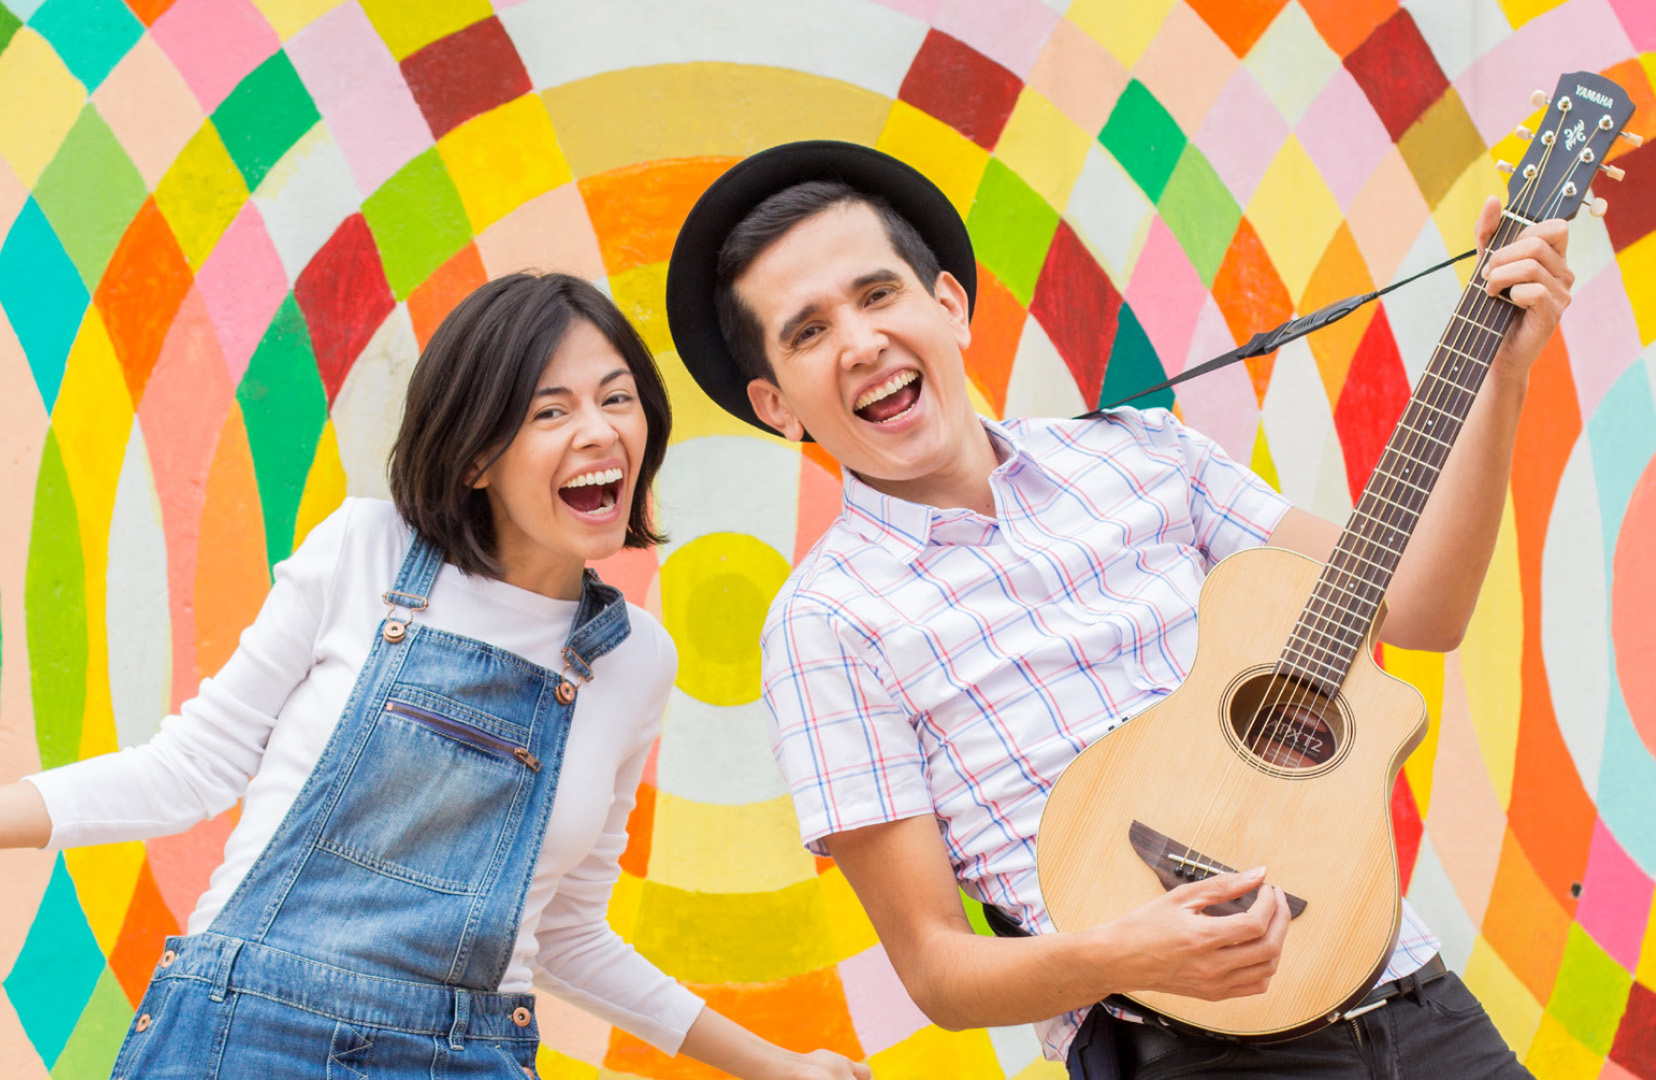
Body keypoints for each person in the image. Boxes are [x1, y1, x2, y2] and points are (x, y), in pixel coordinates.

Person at [0, 273, 869, 1080]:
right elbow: (187, 772)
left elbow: (564, 935)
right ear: (476, 452)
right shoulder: (366, 555)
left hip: (470, 1058)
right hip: (243, 1036)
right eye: (549, 409)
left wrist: (771, 1067)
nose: (602, 432)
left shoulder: (635, 662)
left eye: (619, 398)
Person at [663, 141, 1564, 1079]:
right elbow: (937, 969)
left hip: (1412, 996)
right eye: (807, 333)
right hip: (1182, 1050)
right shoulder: (825, 624)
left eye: (877, 294)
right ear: (777, 406)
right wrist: (1127, 954)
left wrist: (1503, 372)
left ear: (949, 305)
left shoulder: (1145, 454)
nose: (859, 342)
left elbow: (1418, 608)